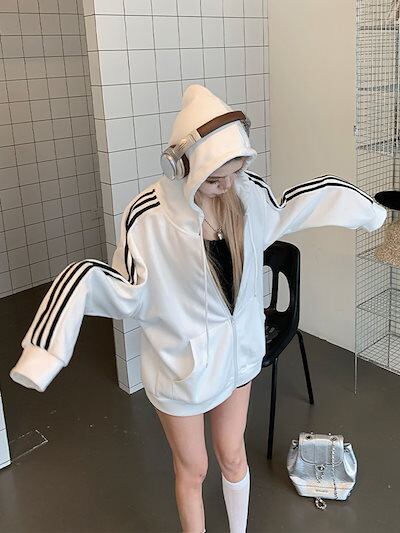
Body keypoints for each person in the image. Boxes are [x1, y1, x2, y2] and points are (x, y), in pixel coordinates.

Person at [9, 84, 387, 533]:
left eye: (235, 172)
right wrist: (44, 352)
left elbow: (306, 202)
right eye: (214, 178)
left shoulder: (247, 195)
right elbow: (110, 285)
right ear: (182, 165)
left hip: (238, 360)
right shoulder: (148, 217)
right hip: (181, 370)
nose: (225, 186)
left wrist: (374, 214)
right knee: (194, 470)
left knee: (233, 456)